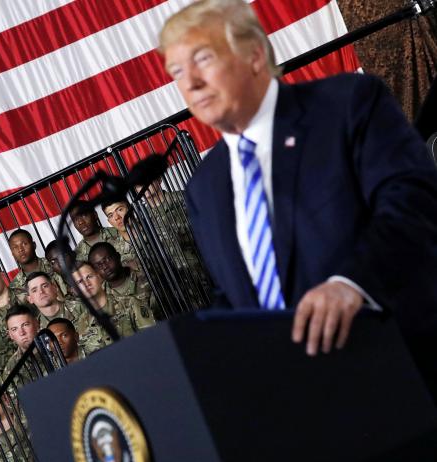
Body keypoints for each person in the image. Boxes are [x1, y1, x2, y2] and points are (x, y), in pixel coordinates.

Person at [161, 0, 437, 368]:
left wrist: (353, 283)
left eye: (204, 59)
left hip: (400, 361)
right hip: (298, 396)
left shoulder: (346, 106)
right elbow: (234, 296)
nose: (191, 83)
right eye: (177, 70)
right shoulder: (204, 187)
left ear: (255, 55)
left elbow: (414, 202)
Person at [72, 261, 155, 353]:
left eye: (89, 277)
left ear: (99, 277)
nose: (86, 283)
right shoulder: (81, 324)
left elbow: (152, 339)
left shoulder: (130, 303)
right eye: (80, 282)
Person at [6, 229, 67, 302]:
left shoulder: (54, 264)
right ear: (12, 254)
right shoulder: (14, 287)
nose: (20, 249)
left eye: (24, 244)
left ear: (34, 245)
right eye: (15, 247)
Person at [88, 242, 152, 308]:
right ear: (95, 271)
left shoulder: (146, 276)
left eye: (107, 259)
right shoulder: (100, 297)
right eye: (99, 265)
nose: (105, 267)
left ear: (118, 256)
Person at [25, 272, 89, 334]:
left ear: (55, 288)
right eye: (34, 290)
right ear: (30, 299)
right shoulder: (36, 329)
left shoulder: (81, 307)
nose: (41, 291)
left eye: (45, 286)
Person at [100, 200, 139, 270]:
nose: (116, 217)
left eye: (120, 210)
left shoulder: (154, 224)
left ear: (130, 208)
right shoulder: (111, 251)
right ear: (109, 222)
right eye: (111, 215)